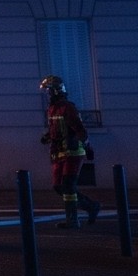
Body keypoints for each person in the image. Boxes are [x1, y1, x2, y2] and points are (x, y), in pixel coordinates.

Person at [39, 75, 101, 229]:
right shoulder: (52, 109)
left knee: (68, 185)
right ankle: (91, 206)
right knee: (59, 186)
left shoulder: (68, 107)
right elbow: (56, 129)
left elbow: (79, 128)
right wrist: (47, 137)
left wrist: (87, 147)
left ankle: (72, 220)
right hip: (59, 152)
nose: (46, 95)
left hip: (72, 151)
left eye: (48, 91)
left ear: (56, 91)